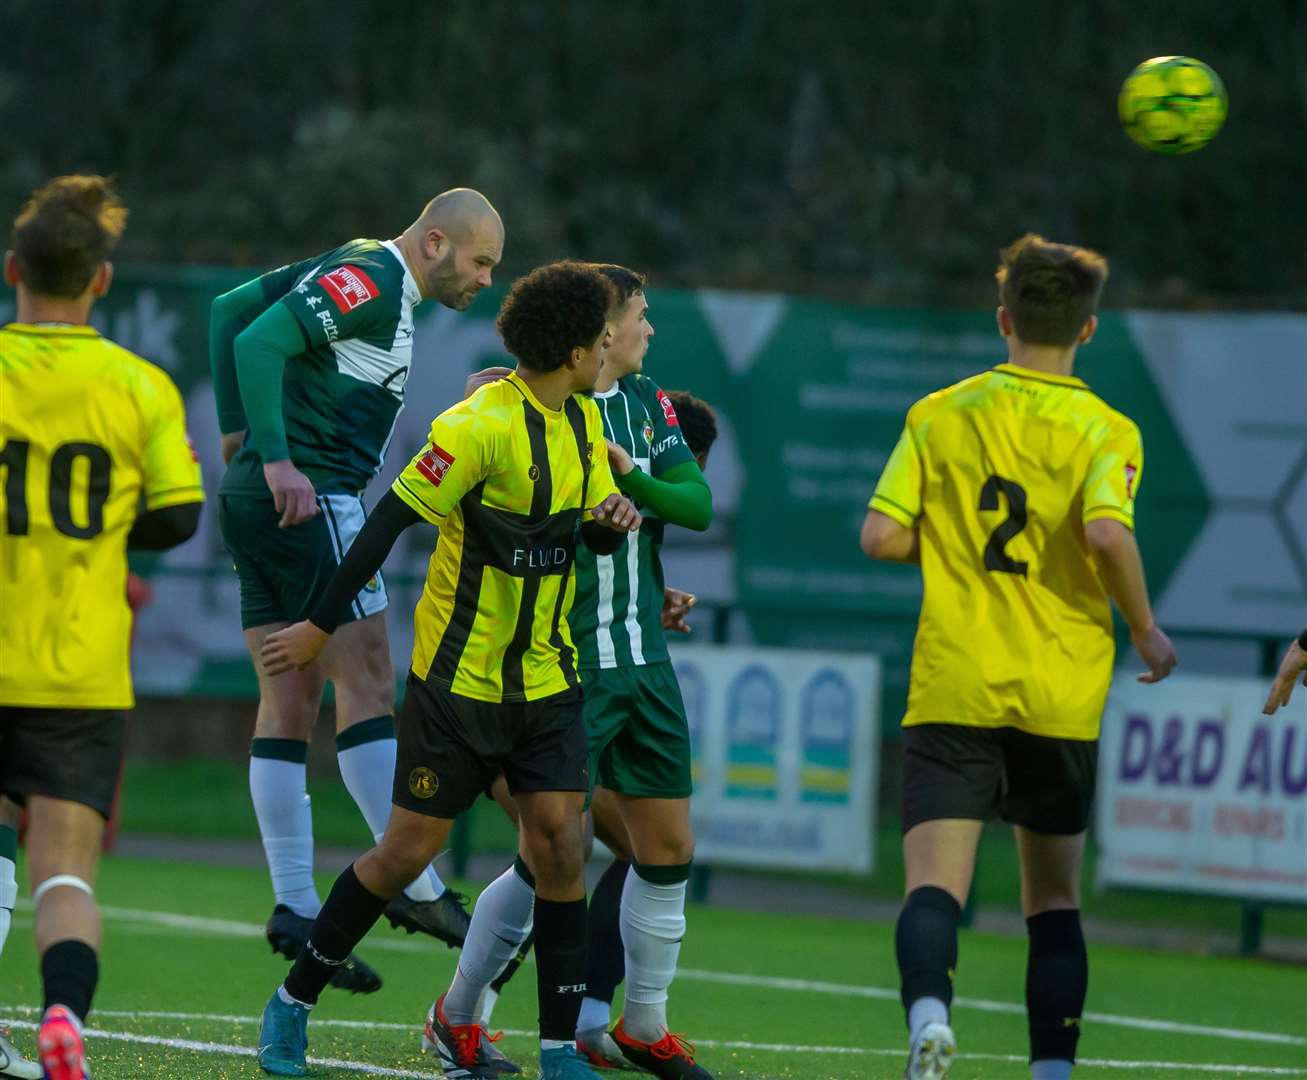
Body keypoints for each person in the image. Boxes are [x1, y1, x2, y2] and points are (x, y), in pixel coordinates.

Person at [252, 261, 640, 1080]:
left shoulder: (582, 428)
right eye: (603, 333)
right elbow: (387, 521)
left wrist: (611, 520)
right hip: (457, 690)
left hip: (544, 683)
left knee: (561, 846)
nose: (613, 342)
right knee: (401, 855)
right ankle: (291, 1004)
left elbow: (588, 536)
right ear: (575, 350)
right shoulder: (475, 426)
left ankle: (561, 1049)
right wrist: (320, 626)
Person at [860, 234, 1178, 1080]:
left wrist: (955, 541)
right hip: (1059, 691)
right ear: (1087, 330)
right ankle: (1051, 1072)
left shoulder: (938, 413)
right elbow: (1106, 532)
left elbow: (880, 534)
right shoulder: (1105, 428)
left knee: (935, 886)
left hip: (953, 681)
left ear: (1002, 319)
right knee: (1053, 898)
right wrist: (1143, 627)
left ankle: (928, 1018)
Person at [209, 188, 504, 985]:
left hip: (255, 503)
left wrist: (239, 438)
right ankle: (417, 885)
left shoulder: (360, 266)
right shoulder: (373, 277)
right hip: (309, 496)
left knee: (289, 696)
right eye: (481, 263)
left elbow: (227, 310)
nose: (485, 281)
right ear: (436, 242)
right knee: (369, 683)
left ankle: (295, 902)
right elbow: (259, 337)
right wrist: (270, 452)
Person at [443, 269, 718, 1080]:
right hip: (567, 664)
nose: (648, 331)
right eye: (639, 316)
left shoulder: (646, 400)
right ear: (600, 330)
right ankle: (458, 1015)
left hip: (643, 660)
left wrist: (629, 474)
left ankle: (641, 1024)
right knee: (550, 855)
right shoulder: (538, 397)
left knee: (666, 847)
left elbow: (695, 503)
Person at [0, 176, 205, 1080]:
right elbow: (178, 516)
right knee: (65, 873)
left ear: (14, 270)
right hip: (79, 670)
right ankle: (60, 1018)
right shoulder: (139, 386)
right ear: (102, 281)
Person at [1263, 630, 1307, 715]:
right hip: (1301, 650)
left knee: (1282, 680)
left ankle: (1268, 711)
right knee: (1286, 680)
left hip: (1299, 651)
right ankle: (1269, 711)